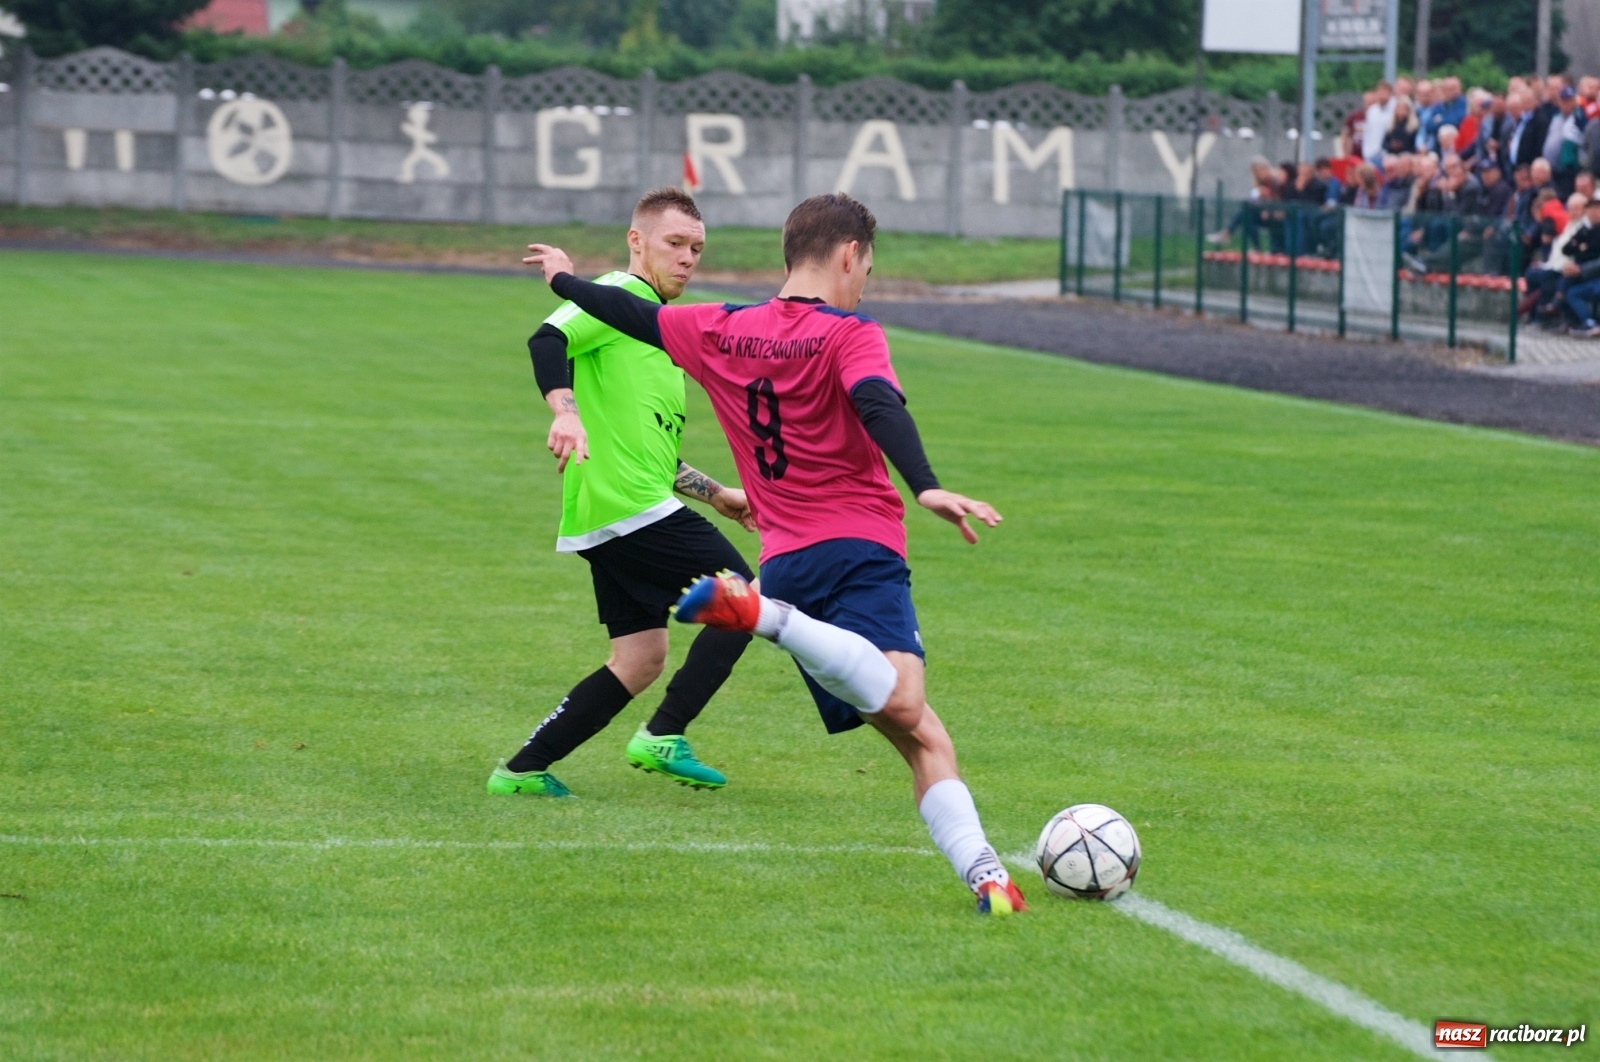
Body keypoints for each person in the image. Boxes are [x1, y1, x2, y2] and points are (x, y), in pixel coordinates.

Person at [524, 193, 1029, 916]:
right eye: (868, 268)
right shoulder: (850, 333)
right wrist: (926, 487)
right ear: (849, 255)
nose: (865, 282)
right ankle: (764, 617)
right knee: (907, 698)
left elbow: (625, 314)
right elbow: (880, 403)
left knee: (921, 735)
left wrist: (563, 282)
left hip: (789, 560)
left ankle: (986, 875)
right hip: (857, 546)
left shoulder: (719, 328)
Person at [486, 188, 760, 798]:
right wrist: (565, 412)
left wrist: (713, 492)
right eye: (674, 244)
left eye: (696, 248)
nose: (688, 258)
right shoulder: (618, 295)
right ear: (637, 242)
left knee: (639, 659)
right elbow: (546, 340)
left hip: (613, 508)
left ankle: (522, 771)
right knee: (747, 601)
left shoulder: (657, 329)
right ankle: (665, 734)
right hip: (628, 507)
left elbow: (645, 447)